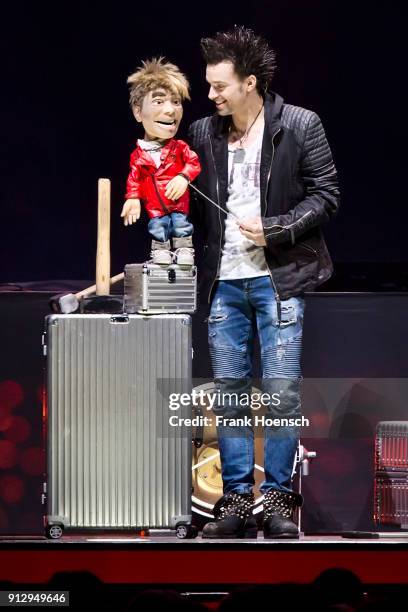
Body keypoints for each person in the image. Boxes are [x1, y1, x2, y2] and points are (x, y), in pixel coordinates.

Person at [188, 26, 340, 538]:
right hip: (224, 283)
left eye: (219, 86)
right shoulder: (203, 134)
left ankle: (275, 503)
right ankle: (233, 502)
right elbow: (181, 194)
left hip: (280, 281)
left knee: (279, 394)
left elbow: (326, 196)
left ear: (249, 83)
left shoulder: (299, 124)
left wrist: (276, 228)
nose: (210, 95)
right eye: (208, 86)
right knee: (230, 393)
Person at [122, 58, 201, 266]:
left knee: (181, 225)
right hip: (155, 207)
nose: (170, 110)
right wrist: (132, 198)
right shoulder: (139, 155)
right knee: (158, 226)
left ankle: (184, 248)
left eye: (176, 102)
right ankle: (161, 250)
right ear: (138, 112)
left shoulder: (180, 148)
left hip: (178, 204)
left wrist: (184, 176)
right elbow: (134, 177)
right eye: (159, 101)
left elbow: (193, 162)